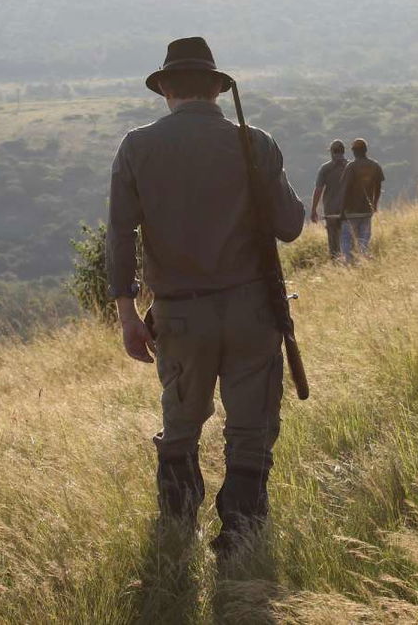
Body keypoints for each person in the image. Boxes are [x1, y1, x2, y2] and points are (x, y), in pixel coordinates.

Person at [105, 37, 304, 554]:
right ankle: (239, 535)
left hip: (178, 314)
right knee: (251, 426)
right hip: (252, 309)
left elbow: (120, 235)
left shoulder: (136, 146)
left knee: (181, 423)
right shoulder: (254, 142)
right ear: (218, 88)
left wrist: (127, 314)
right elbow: (290, 226)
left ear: (165, 88)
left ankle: (176, 529)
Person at [340, 138, 385, 263]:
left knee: (347, 239)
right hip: (366, 211)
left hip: (351, 211)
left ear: (354, 151)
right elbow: (378, 187)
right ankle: (363, 262)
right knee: (364, 241)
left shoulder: (351, 167)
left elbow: (346, 190)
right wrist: (374, 204)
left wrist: (342, 210)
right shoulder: (375, 166)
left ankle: (349, 264)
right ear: (365, 150)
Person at [310, 140, 348, 259]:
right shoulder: (350, 166)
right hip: (348, 209)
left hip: (331, 210)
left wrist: (313, 210)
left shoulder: (325, 168)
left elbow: (318, 189)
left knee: (333, 242)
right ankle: (349, 264)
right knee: (348, 239)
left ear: (331, 152)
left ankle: (336, 265)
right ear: (343, 151)